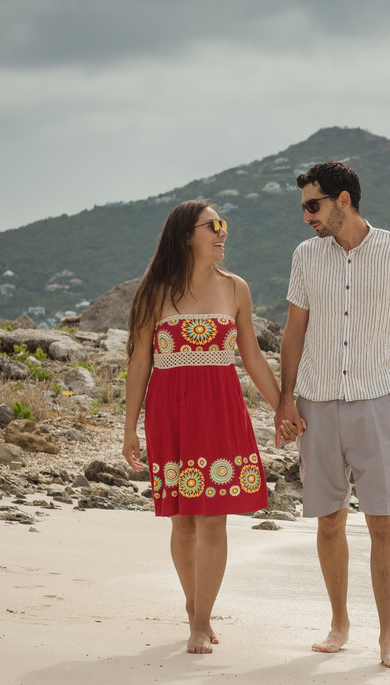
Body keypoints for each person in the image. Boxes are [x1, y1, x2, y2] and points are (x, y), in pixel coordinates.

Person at [274, 161, 390, 669]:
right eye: (302, 208)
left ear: (343, 200)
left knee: (384, 521)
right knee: (328, 521)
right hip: (316, 402)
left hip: (378, 400)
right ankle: (339, 624)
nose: (306, 217)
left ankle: (389, 637)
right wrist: (285, 399)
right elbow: (294, 331)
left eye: (312, 206)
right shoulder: (305, 256)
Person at [123, 199, 282, 655]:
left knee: (215, 518)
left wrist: (282, 408)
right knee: (184, 520)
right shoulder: (154, 292)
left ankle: (200, 621)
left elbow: (251, 357)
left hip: (219, 411)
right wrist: (130, 428)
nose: (222, 232)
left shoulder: (236, 289)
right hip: (170, 412)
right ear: (186, 235)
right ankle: (195, 606)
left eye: (223, 223)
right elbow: (139, 363)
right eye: (212, 225)